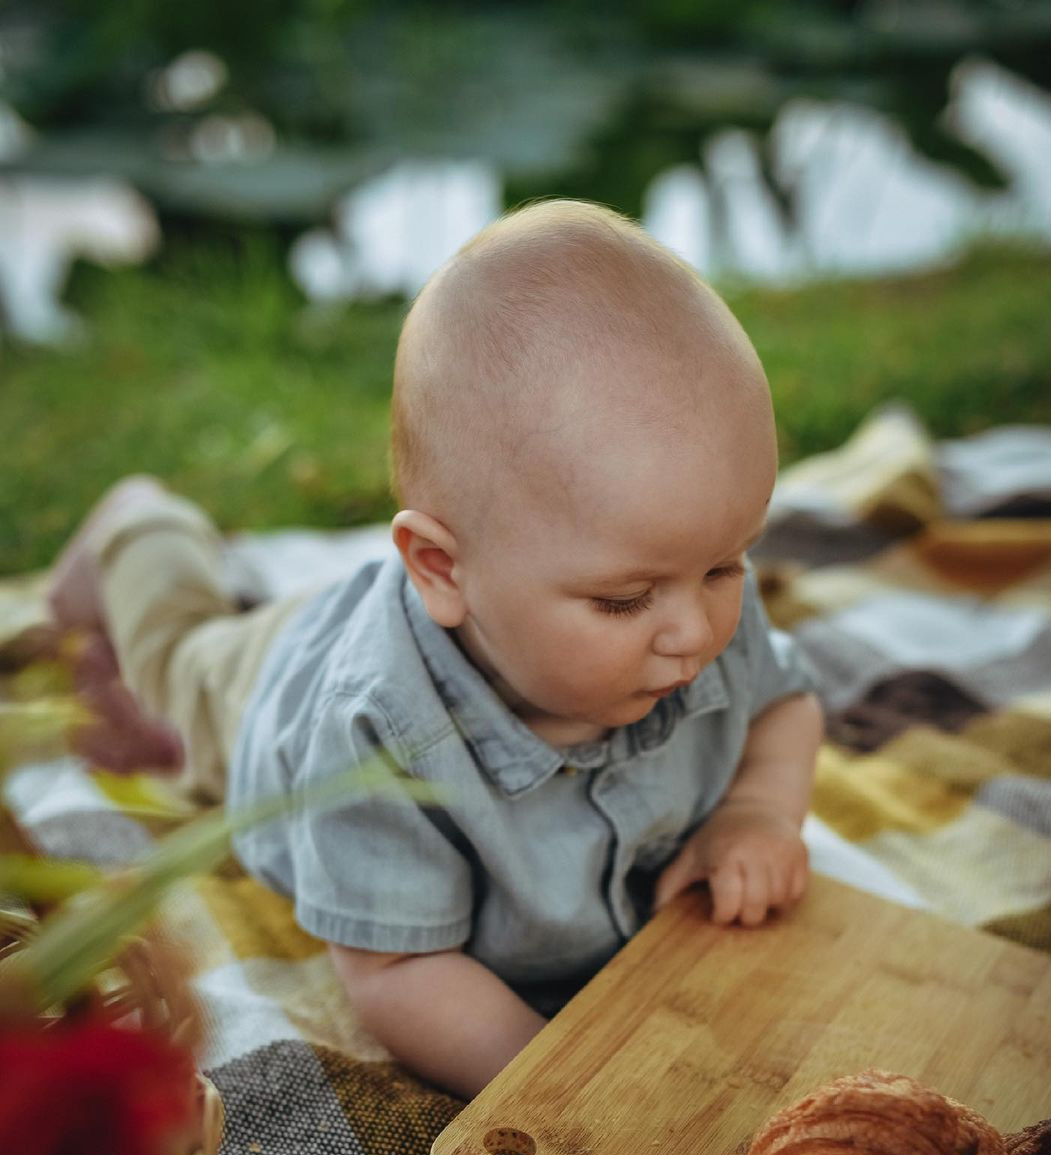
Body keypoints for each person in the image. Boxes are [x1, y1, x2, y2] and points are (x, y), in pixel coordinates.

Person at [47, 200, 823, 1100]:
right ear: (443, 570)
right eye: (623, 600)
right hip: (262, 685)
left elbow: (784, 702)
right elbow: (395, 974)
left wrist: (758, 812)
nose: (697, 630)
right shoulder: (374, 730)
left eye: (727, 564)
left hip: (407, 613)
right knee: (174, 659)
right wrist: (564, 1084)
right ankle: (139, 528)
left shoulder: (684, 590)